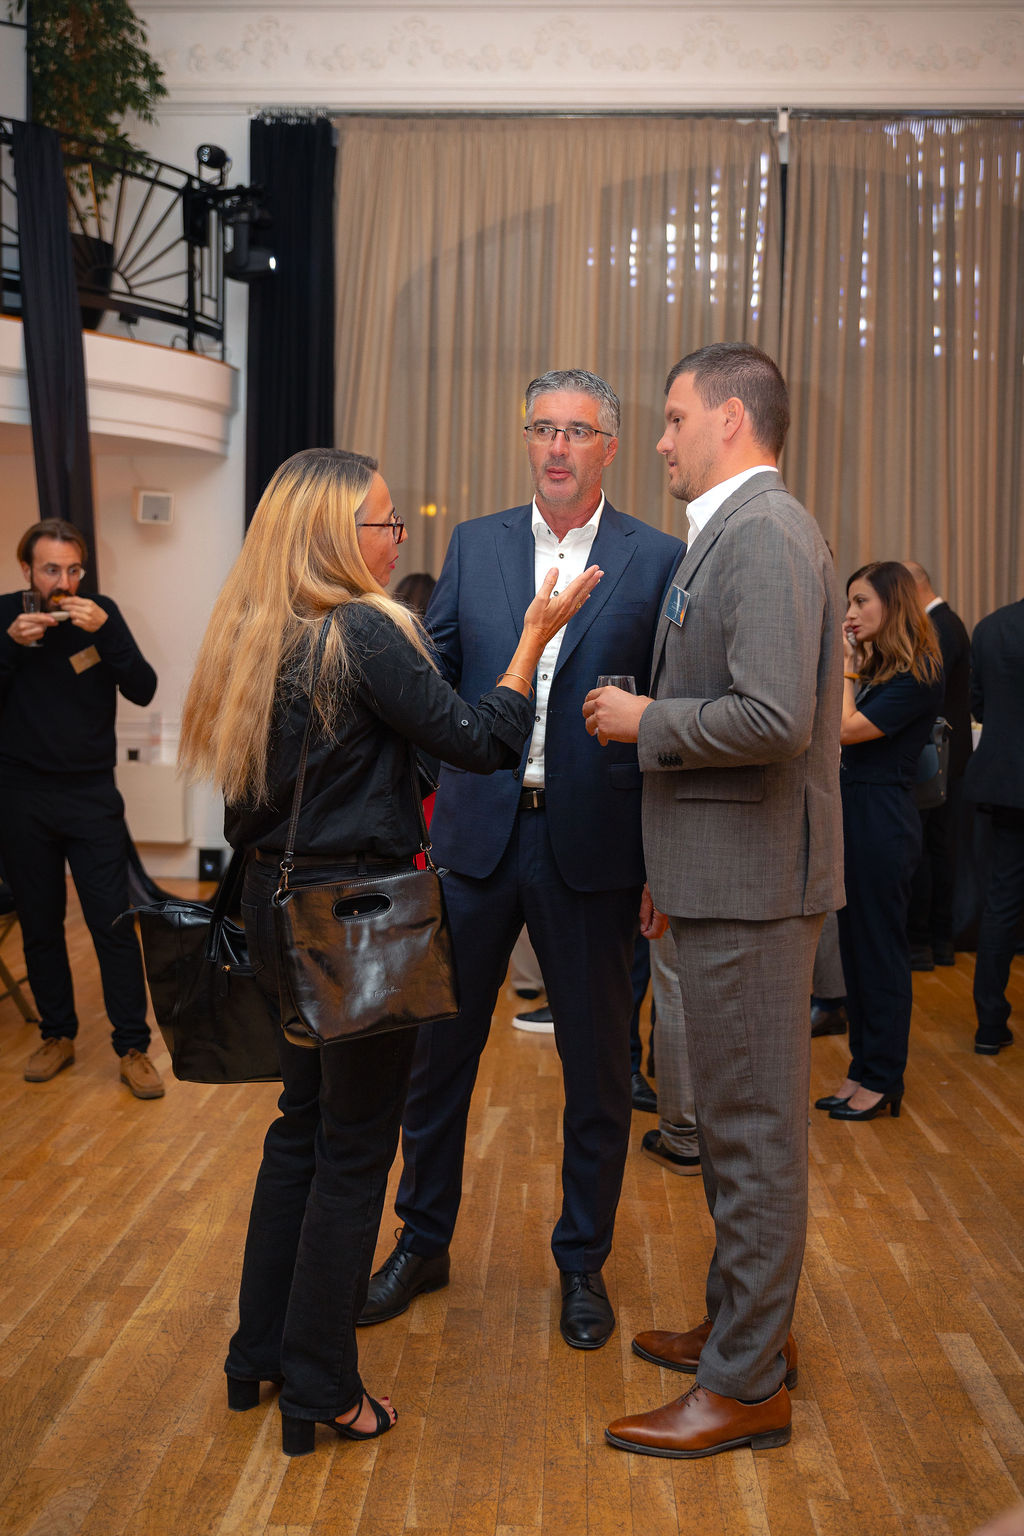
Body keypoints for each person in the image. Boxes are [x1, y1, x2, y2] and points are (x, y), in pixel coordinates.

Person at [177, 447, 600, 1456]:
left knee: (301, 1130)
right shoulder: (362, 630)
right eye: (385, 522)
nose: (397, 536)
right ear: (337, 534)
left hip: (277, 908)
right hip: (355, 920)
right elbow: (481, 740)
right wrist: (531, 642)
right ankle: (322, 1386)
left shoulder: (255, 629)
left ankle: (257, 1354)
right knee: (355, 1148)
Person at [360, 369, 683, 1351]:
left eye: (577, 431)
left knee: (598, 1070)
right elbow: (431, 684)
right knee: (436, 1063)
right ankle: (422, 1242)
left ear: (609, 447)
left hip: (595, 846)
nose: (556, 446)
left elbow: (667, 717)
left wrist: (662, 862)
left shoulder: (656, 558)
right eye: (543, 428)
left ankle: (581, 1263)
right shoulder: (477, 544)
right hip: (474, 839)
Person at [583, 342, 843, 1458]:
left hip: (753, 886)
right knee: (738, 1131)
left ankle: (744, 1386)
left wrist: (647, 722)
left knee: (750, 1138)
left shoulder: (765, 532)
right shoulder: (736, 531)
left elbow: (773, 717)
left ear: (731, 420)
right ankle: (747, 1332)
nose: (660, 441)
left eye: (675, 417)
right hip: (722, 875)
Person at [0, 518, 163, 1099]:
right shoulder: (6, 616)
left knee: (112, 923)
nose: (64, 582)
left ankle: (132, 1047)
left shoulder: (101, 614)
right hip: (21, 797)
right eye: (51, 570)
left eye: (73, 570)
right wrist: (9, 646)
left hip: (91, 795)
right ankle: (57, 1035)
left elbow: (143, 687)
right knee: (40, 925)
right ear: (27, 570)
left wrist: (108, 633)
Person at [816, 561, 943, 1120]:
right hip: (855, 813)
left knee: (881, 955)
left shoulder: (920, 673)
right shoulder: (882, 669)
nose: (850, 614)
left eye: (861, 601)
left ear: (893, 605)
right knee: (855, 952)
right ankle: (861, 1069)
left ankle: (884, 1076)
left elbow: (845, 730)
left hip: (882, 819)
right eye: (849, 602)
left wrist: (846, 665)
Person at [962, 594, 1024, 1055]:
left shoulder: (991, 626)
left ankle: (989, 1023)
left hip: (1006, 783)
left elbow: (978, 705)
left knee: (1002, 901)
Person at [904, 561, 973, 970]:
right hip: (945, 754)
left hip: (939, 756)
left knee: (930, 849)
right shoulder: (945, 623)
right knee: (936, 847)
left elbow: (923, 686)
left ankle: (926, 942)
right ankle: (936, 942)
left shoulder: (940, 627)